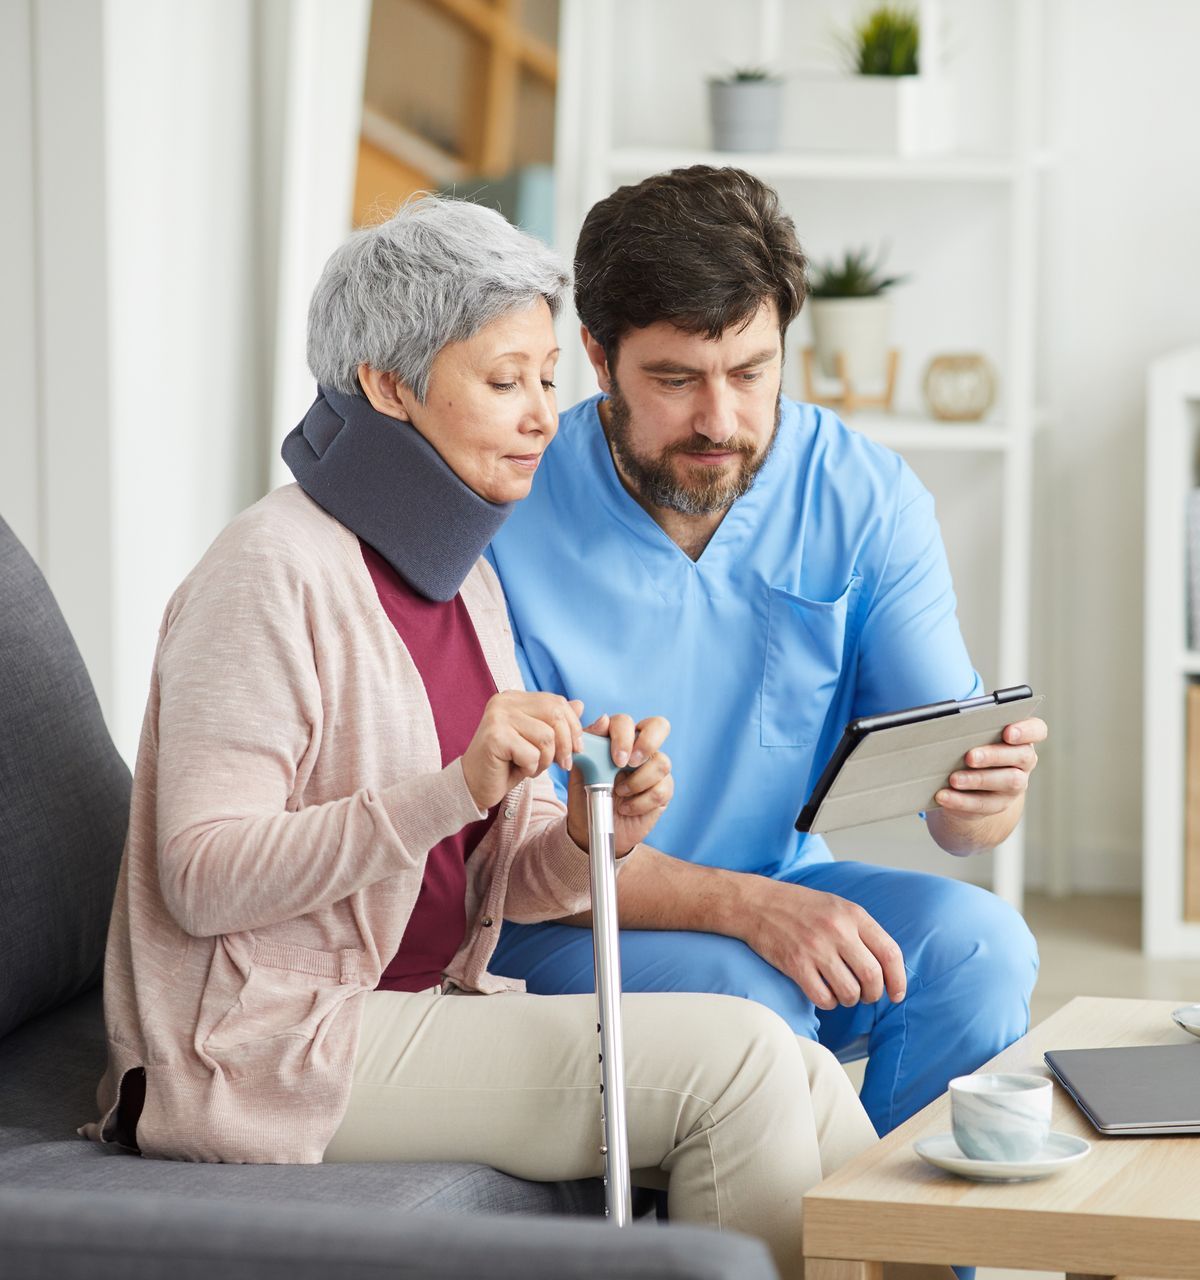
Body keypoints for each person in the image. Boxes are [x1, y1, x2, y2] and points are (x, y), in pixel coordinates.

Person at [81, 197, 879, 1280]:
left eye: (550, 378)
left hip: (415, 1004)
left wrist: (599, 828)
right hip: (265, 1041)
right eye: (506, 381)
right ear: (387, 384)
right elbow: (201, 874)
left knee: (803, 1068)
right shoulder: (266, 572)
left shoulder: (457, 575)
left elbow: (500, 871)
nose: (545, 416)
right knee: (732, 1063)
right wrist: (451, 787)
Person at [486, 166, 1047, 1138]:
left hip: (778, 878)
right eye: (674, 379)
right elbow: (501, 850)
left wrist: (982, 802)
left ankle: (883, 1245)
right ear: (596, 354)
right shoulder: (504, 513)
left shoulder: (865, 497)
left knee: (981, 945)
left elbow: (954, 811)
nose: (721, 420)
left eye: (751, 372)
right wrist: (743, 908)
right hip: (560, 914)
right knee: (747, 998)